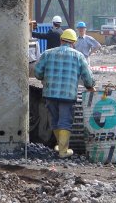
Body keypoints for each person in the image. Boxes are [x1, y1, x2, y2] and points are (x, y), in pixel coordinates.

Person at [34, 28, 96, 158]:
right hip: (67, 96)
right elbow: (87, 76)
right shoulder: (78, 56)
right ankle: (63, 150)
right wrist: (90, 86)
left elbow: (38, 72)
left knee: (55, 120)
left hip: (50, 93)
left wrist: (44, 78)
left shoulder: (47, 53)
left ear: (61, 40)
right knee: (65, 121)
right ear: (73, 42)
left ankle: (60, 146)